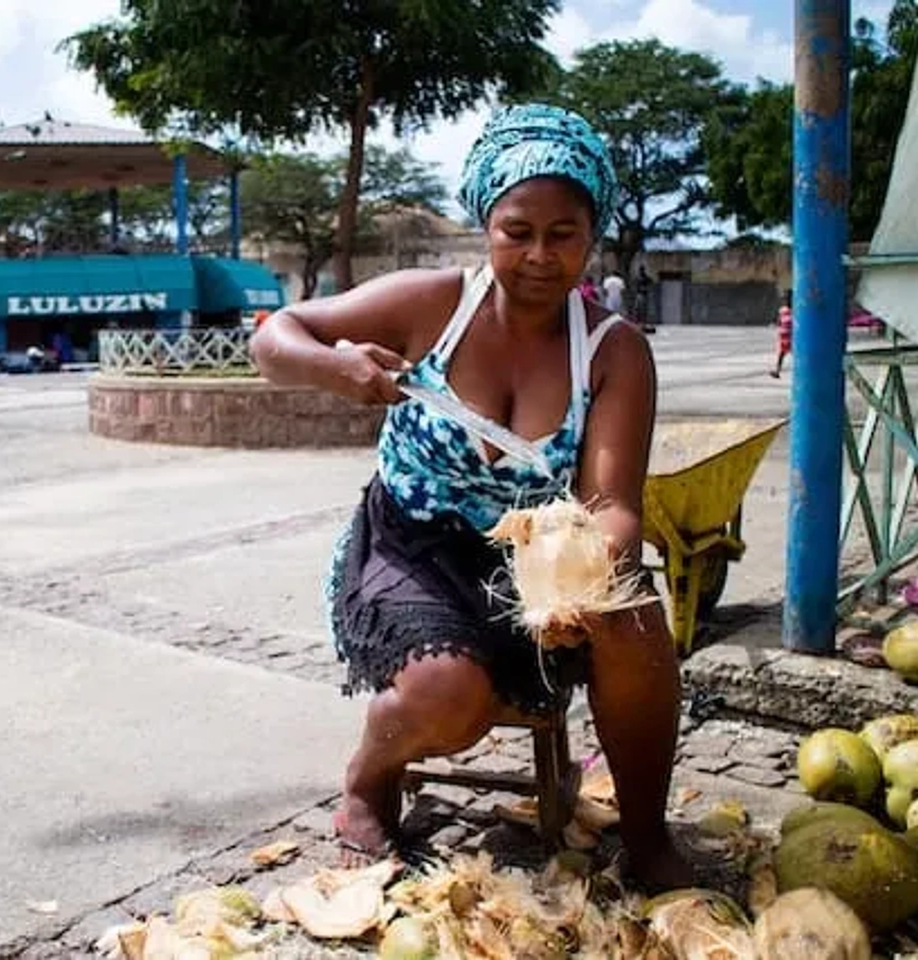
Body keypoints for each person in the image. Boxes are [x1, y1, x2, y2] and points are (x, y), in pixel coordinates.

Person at [250, 103, 690, 892]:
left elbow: (612, 500)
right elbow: (274, 335)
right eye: (516, 230)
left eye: (564, 235)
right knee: (448, 696)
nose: (538, 256)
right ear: (485, 224)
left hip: (538, 562)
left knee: (635, 624)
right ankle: (365, 779)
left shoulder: (613, 350)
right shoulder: (432, 304)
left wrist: (596, 572)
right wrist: (334, 368)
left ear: (591, 237)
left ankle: (647, 834)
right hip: (411, 549)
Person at [771, 291, 793, 378]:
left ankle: (801, 371)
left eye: (789, 299)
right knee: (781, 354)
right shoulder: (782, 310)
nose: (787, 301)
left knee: (795, 354)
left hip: (792, 337)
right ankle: (777, 371)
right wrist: (778, 326)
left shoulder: (796, 310)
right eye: (786, 299)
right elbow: (779, 321)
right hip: (784, 337)